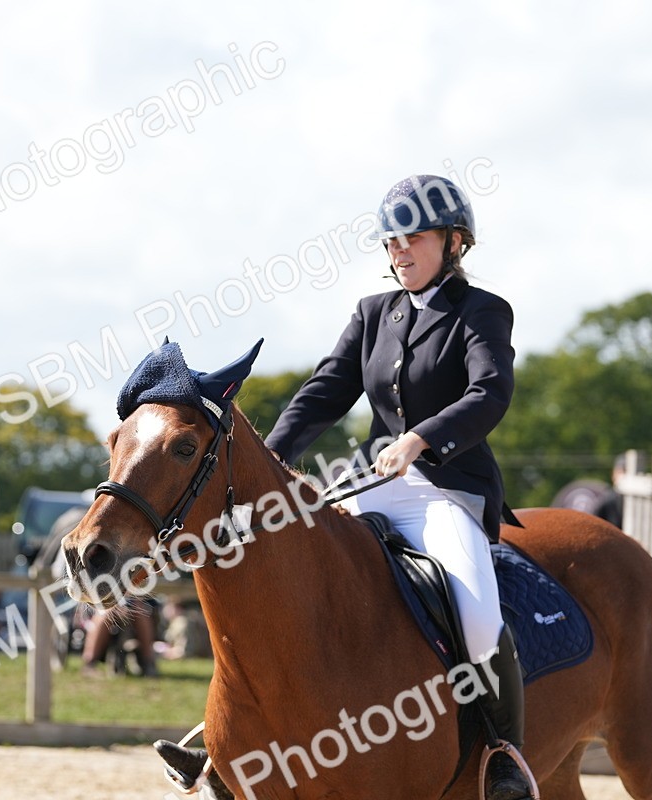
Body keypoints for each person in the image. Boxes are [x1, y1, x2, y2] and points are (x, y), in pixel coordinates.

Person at [261, 175, 530, 800]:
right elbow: (325, 390)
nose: (399, 250)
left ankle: (502, 754)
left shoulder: (482, 310)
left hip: (446, 490)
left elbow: (489, 392)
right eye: (391, 240)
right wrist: (272, 460)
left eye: (414, 237)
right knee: (281, 572)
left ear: (454, 240)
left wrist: (421, 439)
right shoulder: (373, 313)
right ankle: (238, 727)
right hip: (372, 484)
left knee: (481, 621)